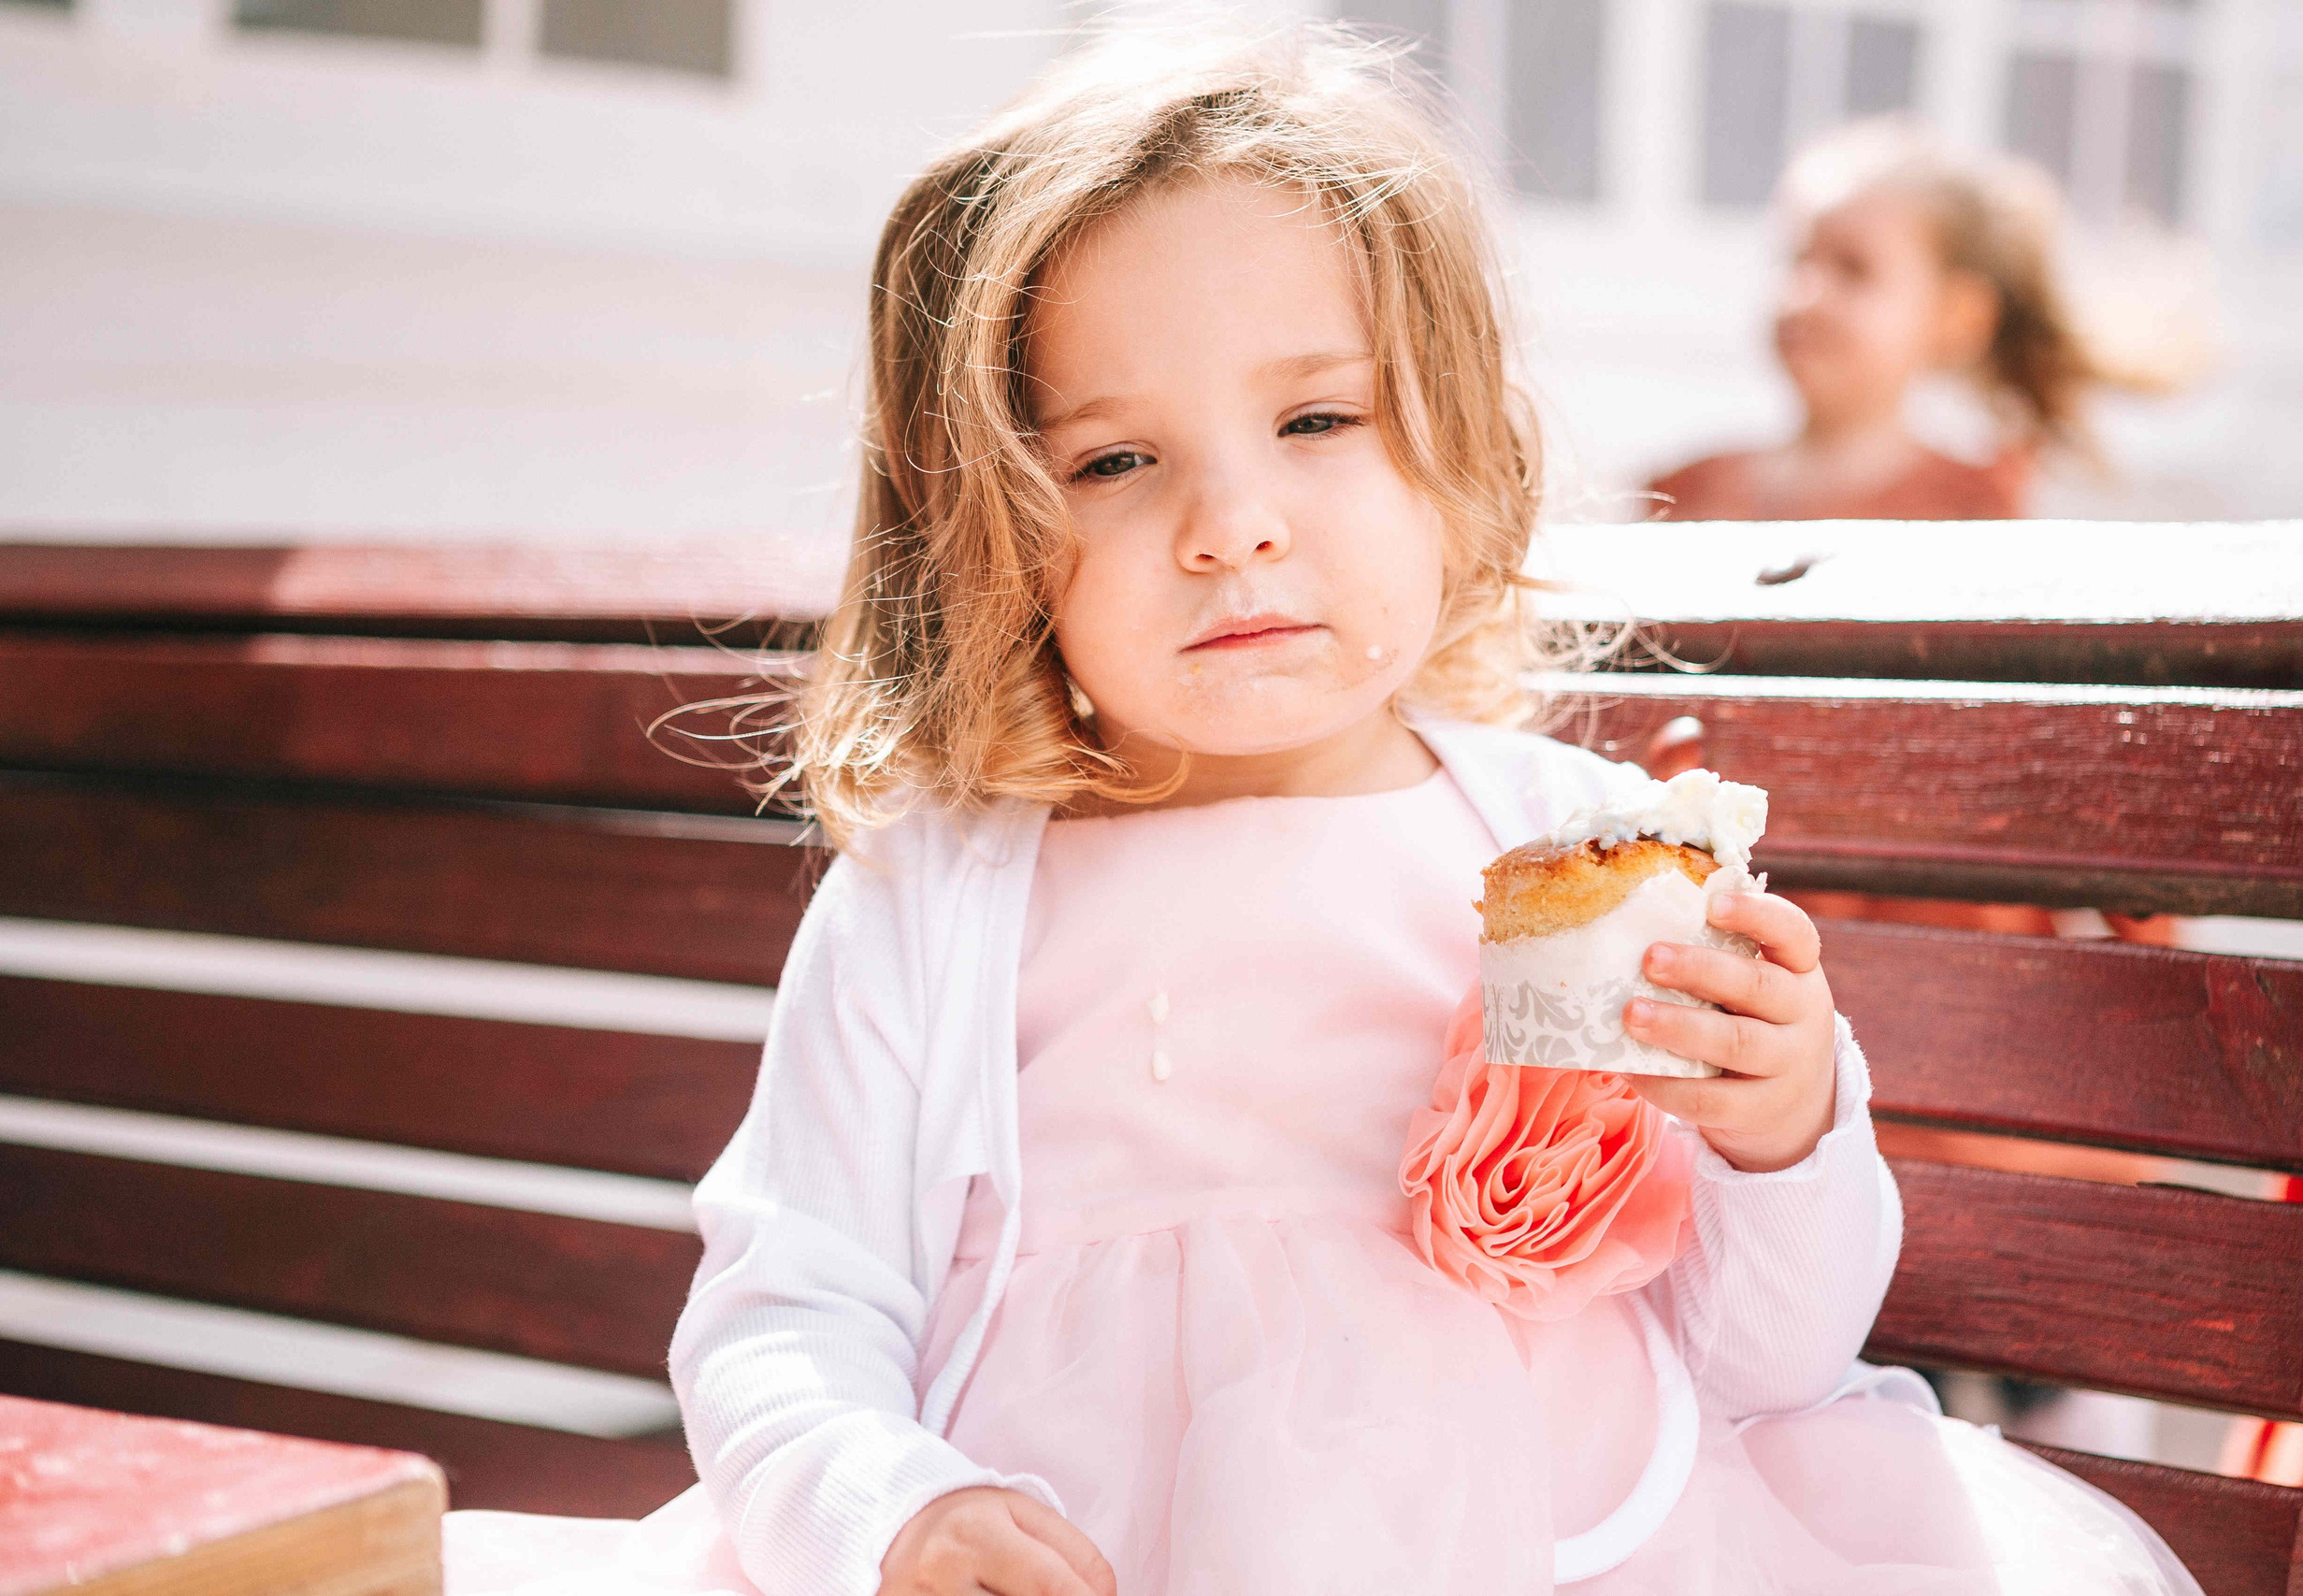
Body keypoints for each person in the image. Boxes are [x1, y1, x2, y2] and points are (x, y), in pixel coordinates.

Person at [443, 30, 2199, 1596]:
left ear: (1458, 450)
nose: (1234, 525)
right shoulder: (941, 896)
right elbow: (788, 1310)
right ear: (984, 530)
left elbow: (1770, 1358)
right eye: (1117, 460)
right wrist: (885, 1509)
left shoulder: (1567, 854)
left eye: (1316, 418)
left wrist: (1781, 1129)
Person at [1649, 119, 2126, 525]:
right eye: (1796, 259)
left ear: (1956, 318)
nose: (1805, 294)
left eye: (1853, 270)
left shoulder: (1974, 513)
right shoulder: (1679, 496)